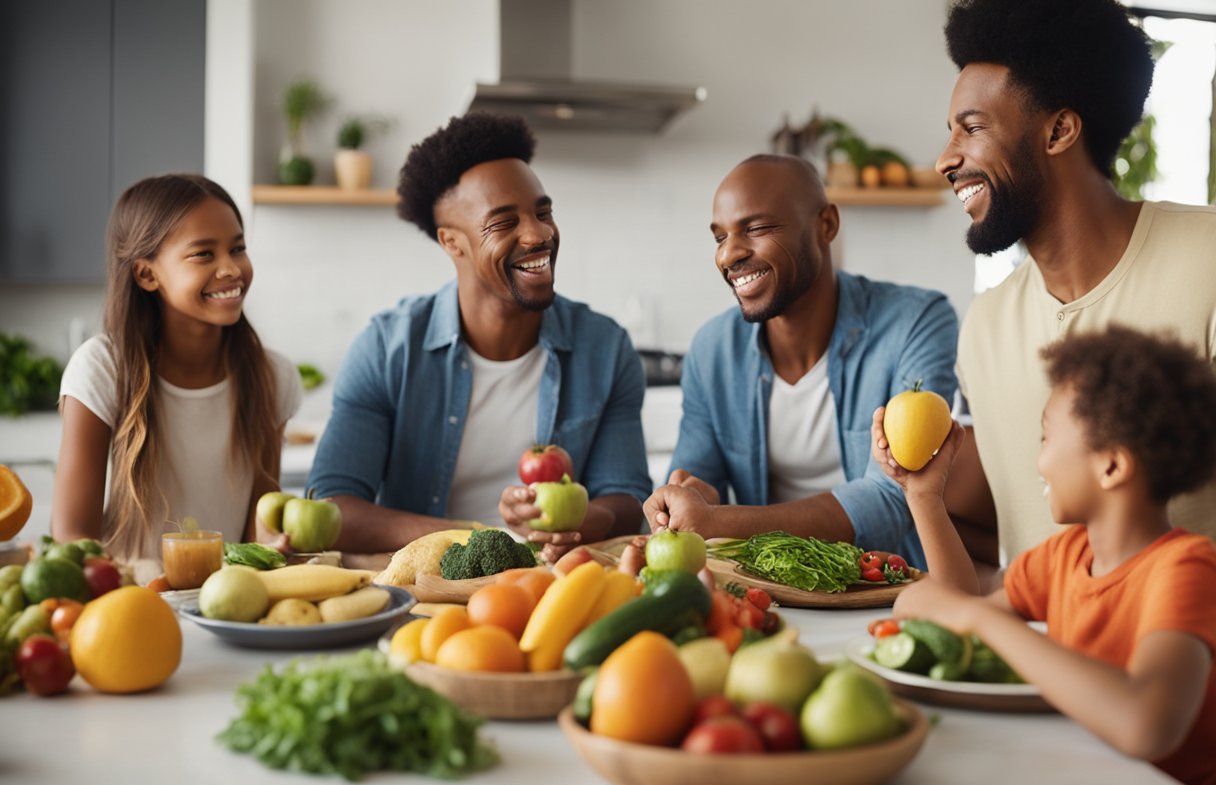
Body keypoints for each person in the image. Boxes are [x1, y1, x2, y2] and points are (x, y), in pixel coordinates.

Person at [873, 325, 1216, 785]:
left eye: (1045, 437)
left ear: (1112, 466)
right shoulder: (1066, 557)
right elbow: (955, 615)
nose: (1039, 461)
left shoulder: (1187, 570)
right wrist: (923, 495)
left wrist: (971, 617)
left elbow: (1146, 724)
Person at [935, 0, 1216, 565]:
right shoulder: (985, 328)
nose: (946, 159)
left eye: (972, 128)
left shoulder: (1207, 260)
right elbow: (1021, 527)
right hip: (1029, 651)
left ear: (1059, 130)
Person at [307, 113, 650, 561]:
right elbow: (332, 508)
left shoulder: (605, 348)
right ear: (453, 243)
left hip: (552, 584)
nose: (539, 233)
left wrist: (585, 520)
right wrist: (481, 538)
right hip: (423, 591)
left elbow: (626, 496)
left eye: (542, 212)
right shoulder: (387, 349)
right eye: (504, 223)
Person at [643, 154, 958, 568]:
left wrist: (720, 519)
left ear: (826, 225)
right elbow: (696, 480)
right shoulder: (712, 349)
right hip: (766, 587)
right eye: (720, 238)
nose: (727, 256)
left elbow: (892, 497)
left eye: (755, 228)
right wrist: (689, 499)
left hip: (888, 584)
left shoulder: (917, 321)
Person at [53, 174, 302, 567]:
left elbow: (260, 525)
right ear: (146, 274)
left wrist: (275, 548)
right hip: (126, 605)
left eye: (237, 248)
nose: (231, 269)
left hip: (228, 606)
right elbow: (72, 537)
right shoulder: (101, 370)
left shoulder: (273, 376)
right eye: (204, 254)